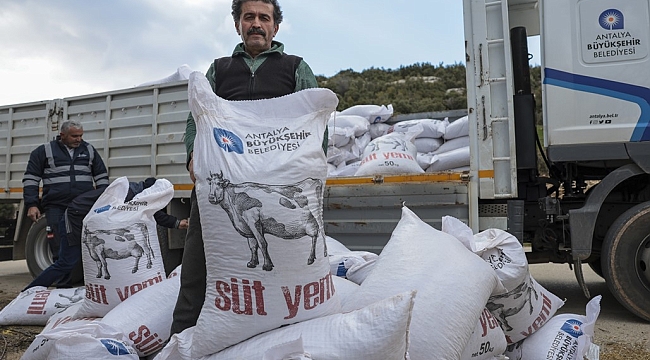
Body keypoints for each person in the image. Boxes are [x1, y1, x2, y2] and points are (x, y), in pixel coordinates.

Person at [170, 0, 320, 335]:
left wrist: (306, 174)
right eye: (248, 17)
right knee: (197, 263)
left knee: (286, 258)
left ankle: (284, 331)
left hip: (274, 185)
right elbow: (199, 116)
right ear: (238, 24)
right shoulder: (220, 69)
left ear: (275, 28)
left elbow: (314, 123)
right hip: (225, 181)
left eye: (263, 18)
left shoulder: (295, 67)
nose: (256, 23)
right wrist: (194, 154)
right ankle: (180, 338)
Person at [23, 178, 189, 291]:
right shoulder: (130, 194)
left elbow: (154, 213)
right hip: (74, 216)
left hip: (89, 220)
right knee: (67, 262)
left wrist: (176, 223)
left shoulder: (135, 193)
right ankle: (30, 290)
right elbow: (155, 213)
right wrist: (176, 223)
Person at [22, 120, 109, 284]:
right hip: (56, 207)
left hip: (82, 207)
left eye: (81, 136)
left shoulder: (89, 150)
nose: (79, 139)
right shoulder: (43, 151)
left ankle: (83, 284)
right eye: (75, 136)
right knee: (59, 246)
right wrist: (32, 204)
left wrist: (102, 200)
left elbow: (101, 177)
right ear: (62, 135)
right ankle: (63, 288)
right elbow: (31, 180)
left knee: (86, 245)